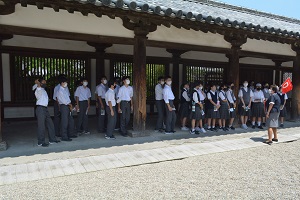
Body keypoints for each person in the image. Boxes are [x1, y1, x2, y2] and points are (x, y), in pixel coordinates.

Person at [33, 78, 60, 147]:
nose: (45, 83)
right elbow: (37, 86)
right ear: (40, 83)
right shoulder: (38, 89)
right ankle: (40, 142)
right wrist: (37, 83)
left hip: (45, 109)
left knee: (50, 124)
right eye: (43, 82)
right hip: (40, 108)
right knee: (41, 126)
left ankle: (52, 139)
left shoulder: (43, 90)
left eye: (45, 82)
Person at [56, 77, 76, 141]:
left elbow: (68, 99)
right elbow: (64, 101)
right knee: (64, 122)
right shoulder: (60, 91)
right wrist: (70, 105)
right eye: (65, 82)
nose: (66, 84)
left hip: (68, 106)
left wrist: (70, 105)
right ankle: (64, 136)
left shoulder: (65, 90)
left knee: (71, 120)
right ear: (62, 83)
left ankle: (71, 133)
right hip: (64, 106)